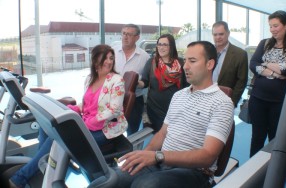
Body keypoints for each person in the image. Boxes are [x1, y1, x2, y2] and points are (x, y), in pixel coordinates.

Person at [115, 41, 234, 188]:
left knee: (145, 185)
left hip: (194, 171)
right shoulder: (179, 95)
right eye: (185, 60)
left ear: (209, 65)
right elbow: (163, 134)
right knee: (113, 179)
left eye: (192, 61)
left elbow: (208, 156)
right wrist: (142, 156)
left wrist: (158, 156)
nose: (185, 66)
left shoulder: (222, 103)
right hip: (162, 161)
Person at [9, 44, 128, 188]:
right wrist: (70, 110)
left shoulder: (116, 80)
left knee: (59, 140)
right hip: (86, 123)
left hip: (106, 128)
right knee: (46, 128)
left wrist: (90, 122)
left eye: (111, 58)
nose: (109, 61)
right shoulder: (90, 78)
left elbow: (114, 110)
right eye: (105, 58)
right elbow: (85, 105)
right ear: (95, 60)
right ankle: (44, 167)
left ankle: (20, 178)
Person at [248, 10, 286, 157]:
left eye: (276, 26)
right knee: (257, 137)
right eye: (270, 26)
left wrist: (265, 63)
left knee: (275, 138)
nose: (272, 30)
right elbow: (253, 64)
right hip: (258, 99)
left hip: (279, 102)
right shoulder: (265, 43)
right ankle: (251, 170)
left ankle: (273, 172)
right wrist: (275, 72)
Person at [137, 34, 189, 133]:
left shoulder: (181, 63)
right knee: (156, 138)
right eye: (159, 44)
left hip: (176, 110)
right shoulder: (152, 62)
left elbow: (187, 86)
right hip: (154, 109)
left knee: (172, 138)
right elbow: (144, 82)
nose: (161, 47)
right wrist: (135, 82)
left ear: (172, 46)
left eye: (165, 45)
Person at [113, 23, 150, 136]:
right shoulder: (112, 52)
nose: (125, 37)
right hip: (112, 99)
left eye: (129, 34)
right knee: (111, 130)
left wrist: (136, 83)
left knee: (132, 131)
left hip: (134, 100)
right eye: (124, 33)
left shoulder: (144, 57)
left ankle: (130, 153)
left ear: (137, 37)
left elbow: (147, 81)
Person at [212, 21, 248, 107]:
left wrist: (232, 102)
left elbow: (241, 81)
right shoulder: (207, 51)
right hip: (206, 97)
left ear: (228, 33)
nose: (218, 37)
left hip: (226, 100)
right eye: (215, 34)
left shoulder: (240, 54)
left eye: (221, 34)